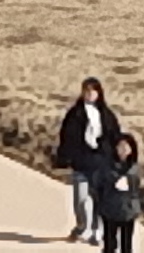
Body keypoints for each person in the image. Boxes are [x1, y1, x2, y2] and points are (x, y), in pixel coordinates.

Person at [50, 78, 120, 244]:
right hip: (82, 162)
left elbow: (115, 137)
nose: (90, 94)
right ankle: (83, 227)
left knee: (100, 199)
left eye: (93, 91)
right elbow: (67, 137)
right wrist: (65, 158)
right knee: (81, 198)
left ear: (99, 93)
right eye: (86, 91)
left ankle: (99, 231)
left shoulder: (107, 115)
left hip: (102, 162)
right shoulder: (75, 114)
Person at [92, 130, 144, 253]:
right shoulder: (107, 165)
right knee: (109, 245)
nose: (123, 150)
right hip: (109, 209)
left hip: (128, 211)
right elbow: (98, 183)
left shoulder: (134, 168)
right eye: (120, 146)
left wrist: (128, 181)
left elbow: (136, 185)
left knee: (126, 246)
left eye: (126, 147)